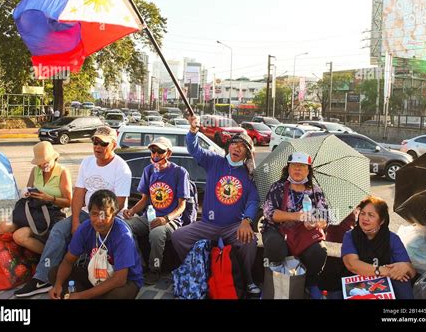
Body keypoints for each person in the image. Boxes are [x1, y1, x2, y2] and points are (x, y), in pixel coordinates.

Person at [14, 126, 132, 297]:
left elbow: (119, 203)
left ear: (113, 145)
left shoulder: (121, 168)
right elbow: (78, 194)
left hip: (109, 217)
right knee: (59, 230)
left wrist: (96, 222)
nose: (97, 147)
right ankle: (42, 278)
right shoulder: (87, 162)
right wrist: (76, 220)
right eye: (95, 142)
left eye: (103, 144)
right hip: (87, 212)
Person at [171, 115, 261, 298]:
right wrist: (193, 131)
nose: (238, 148)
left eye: (243, 147)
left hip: (233, 226)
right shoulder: (214, 161)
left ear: (247, 154)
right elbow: (194, 149)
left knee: (250, 242)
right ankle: (194, 270)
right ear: (229, 146)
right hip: (207, 224)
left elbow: (253, 201)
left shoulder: (249, 174)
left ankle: (248, 280)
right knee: (178, 236)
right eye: (235, 144)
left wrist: (247, 220)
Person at [48, 189, 143, 299]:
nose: (99, 220)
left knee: (116, 296)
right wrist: (58, 285)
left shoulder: (123, 235)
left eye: (104, 215)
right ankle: (88, 294)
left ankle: (86, 295)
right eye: (94, 214)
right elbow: (68, 260)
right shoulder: (84, 228)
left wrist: (82, 295)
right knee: (55, 274)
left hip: (125, 280)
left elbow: (119, 279)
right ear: (89, 213)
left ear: (114, 215)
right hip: (96, 275)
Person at [261, 152, 329, 299]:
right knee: (275, 247)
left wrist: (314, 223)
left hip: (304, 233)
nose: (297, 169)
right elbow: (269, 213)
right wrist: (296, 216)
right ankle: (271, 283)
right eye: (294, 166)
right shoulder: (278, 187)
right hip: (277, 229)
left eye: (302, 166)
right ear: (288, 169)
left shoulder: (315, 190)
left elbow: (325, 217)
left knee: (319, 252)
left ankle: (310, 284)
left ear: (308, 170)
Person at [123, 137, 190, 285]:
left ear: (169, 153)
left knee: (156, 233)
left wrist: (165, 219)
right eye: (153, 151)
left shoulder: (180, 172)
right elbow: (144, 199)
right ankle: (138, 264)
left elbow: (182, 206)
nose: (156, 155)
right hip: (149, 217)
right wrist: (131, 211)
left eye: (160, 151)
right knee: (123, 225)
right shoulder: (148, 170)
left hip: (170, 221)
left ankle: (155, 269)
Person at [0, 141, 72, 254]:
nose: (42, 165)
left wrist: (50, 198)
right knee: (4, 227)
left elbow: (69, 202)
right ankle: (18, 258)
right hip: (33, 211)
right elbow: (27, 190)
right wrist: (26, 193)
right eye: (39, 163)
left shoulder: (62, 172)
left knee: (19, 236)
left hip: (52, 214)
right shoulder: (35, 170)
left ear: (54, 158)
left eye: (45, 162)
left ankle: (49, 257)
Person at [342, 196, 416, 299]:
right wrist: (385, 271)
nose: (365, 218)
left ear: (381, 221)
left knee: (403, 281)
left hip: (385, 283)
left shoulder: (392, 238)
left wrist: (405, 267)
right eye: (362, 213)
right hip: (357, 282)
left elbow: (411, 272)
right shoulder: (350, 236)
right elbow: (352, 264)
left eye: (371, 215)